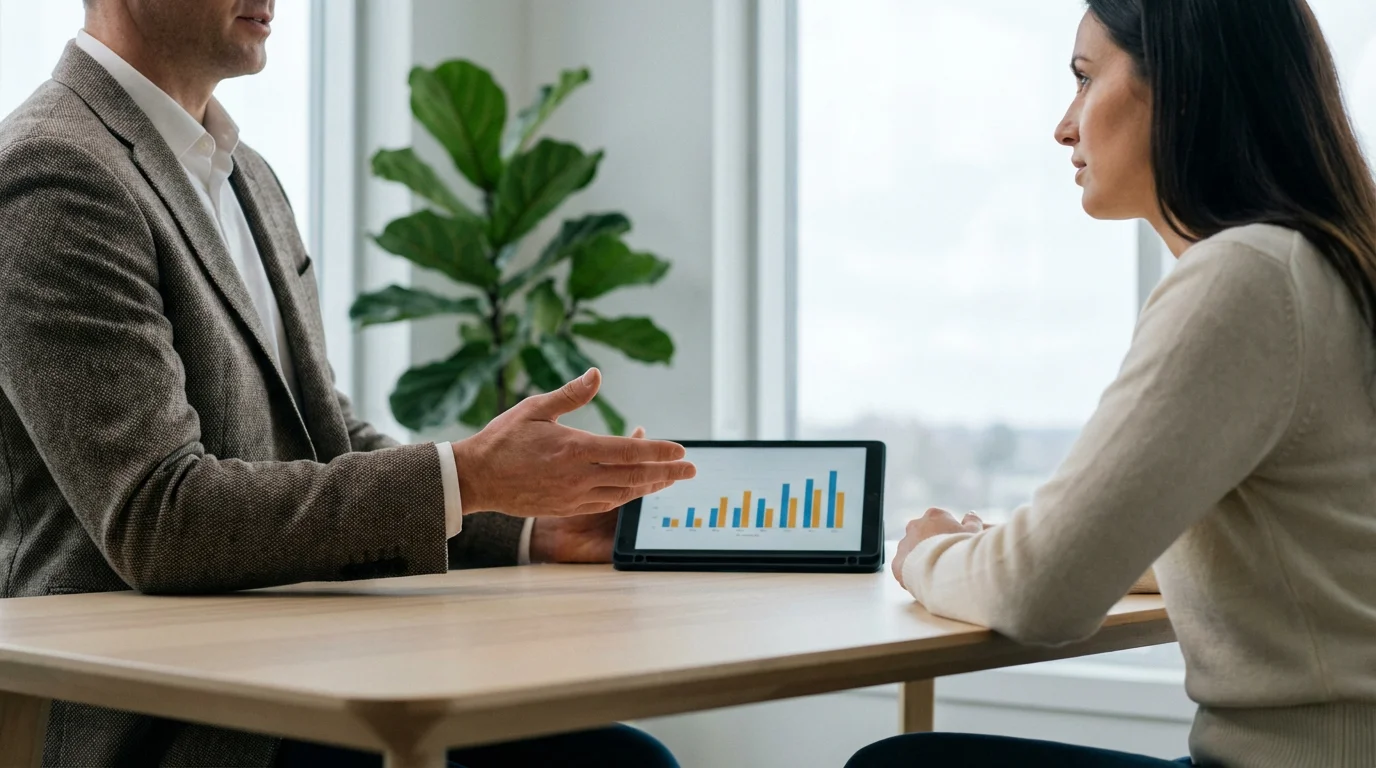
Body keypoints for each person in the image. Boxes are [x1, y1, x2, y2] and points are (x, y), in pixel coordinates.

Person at [0, 0, 694, 766]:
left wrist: (528, 523)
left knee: (623, 761)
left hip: (300, 671)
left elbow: (327, 433)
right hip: (172, 723)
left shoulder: (245, 176)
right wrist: (469, 475)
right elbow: (159, 517)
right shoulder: (52, 173)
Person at [847, 0, 1376, 766]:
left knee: (897, 764)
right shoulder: (1339, 263)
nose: (1065, 126)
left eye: (1086, 79)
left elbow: (1041, 597)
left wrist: (927, 554)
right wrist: (1034, 549)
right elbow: (1317, 554)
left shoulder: (1249, 277)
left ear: (1184, 87)